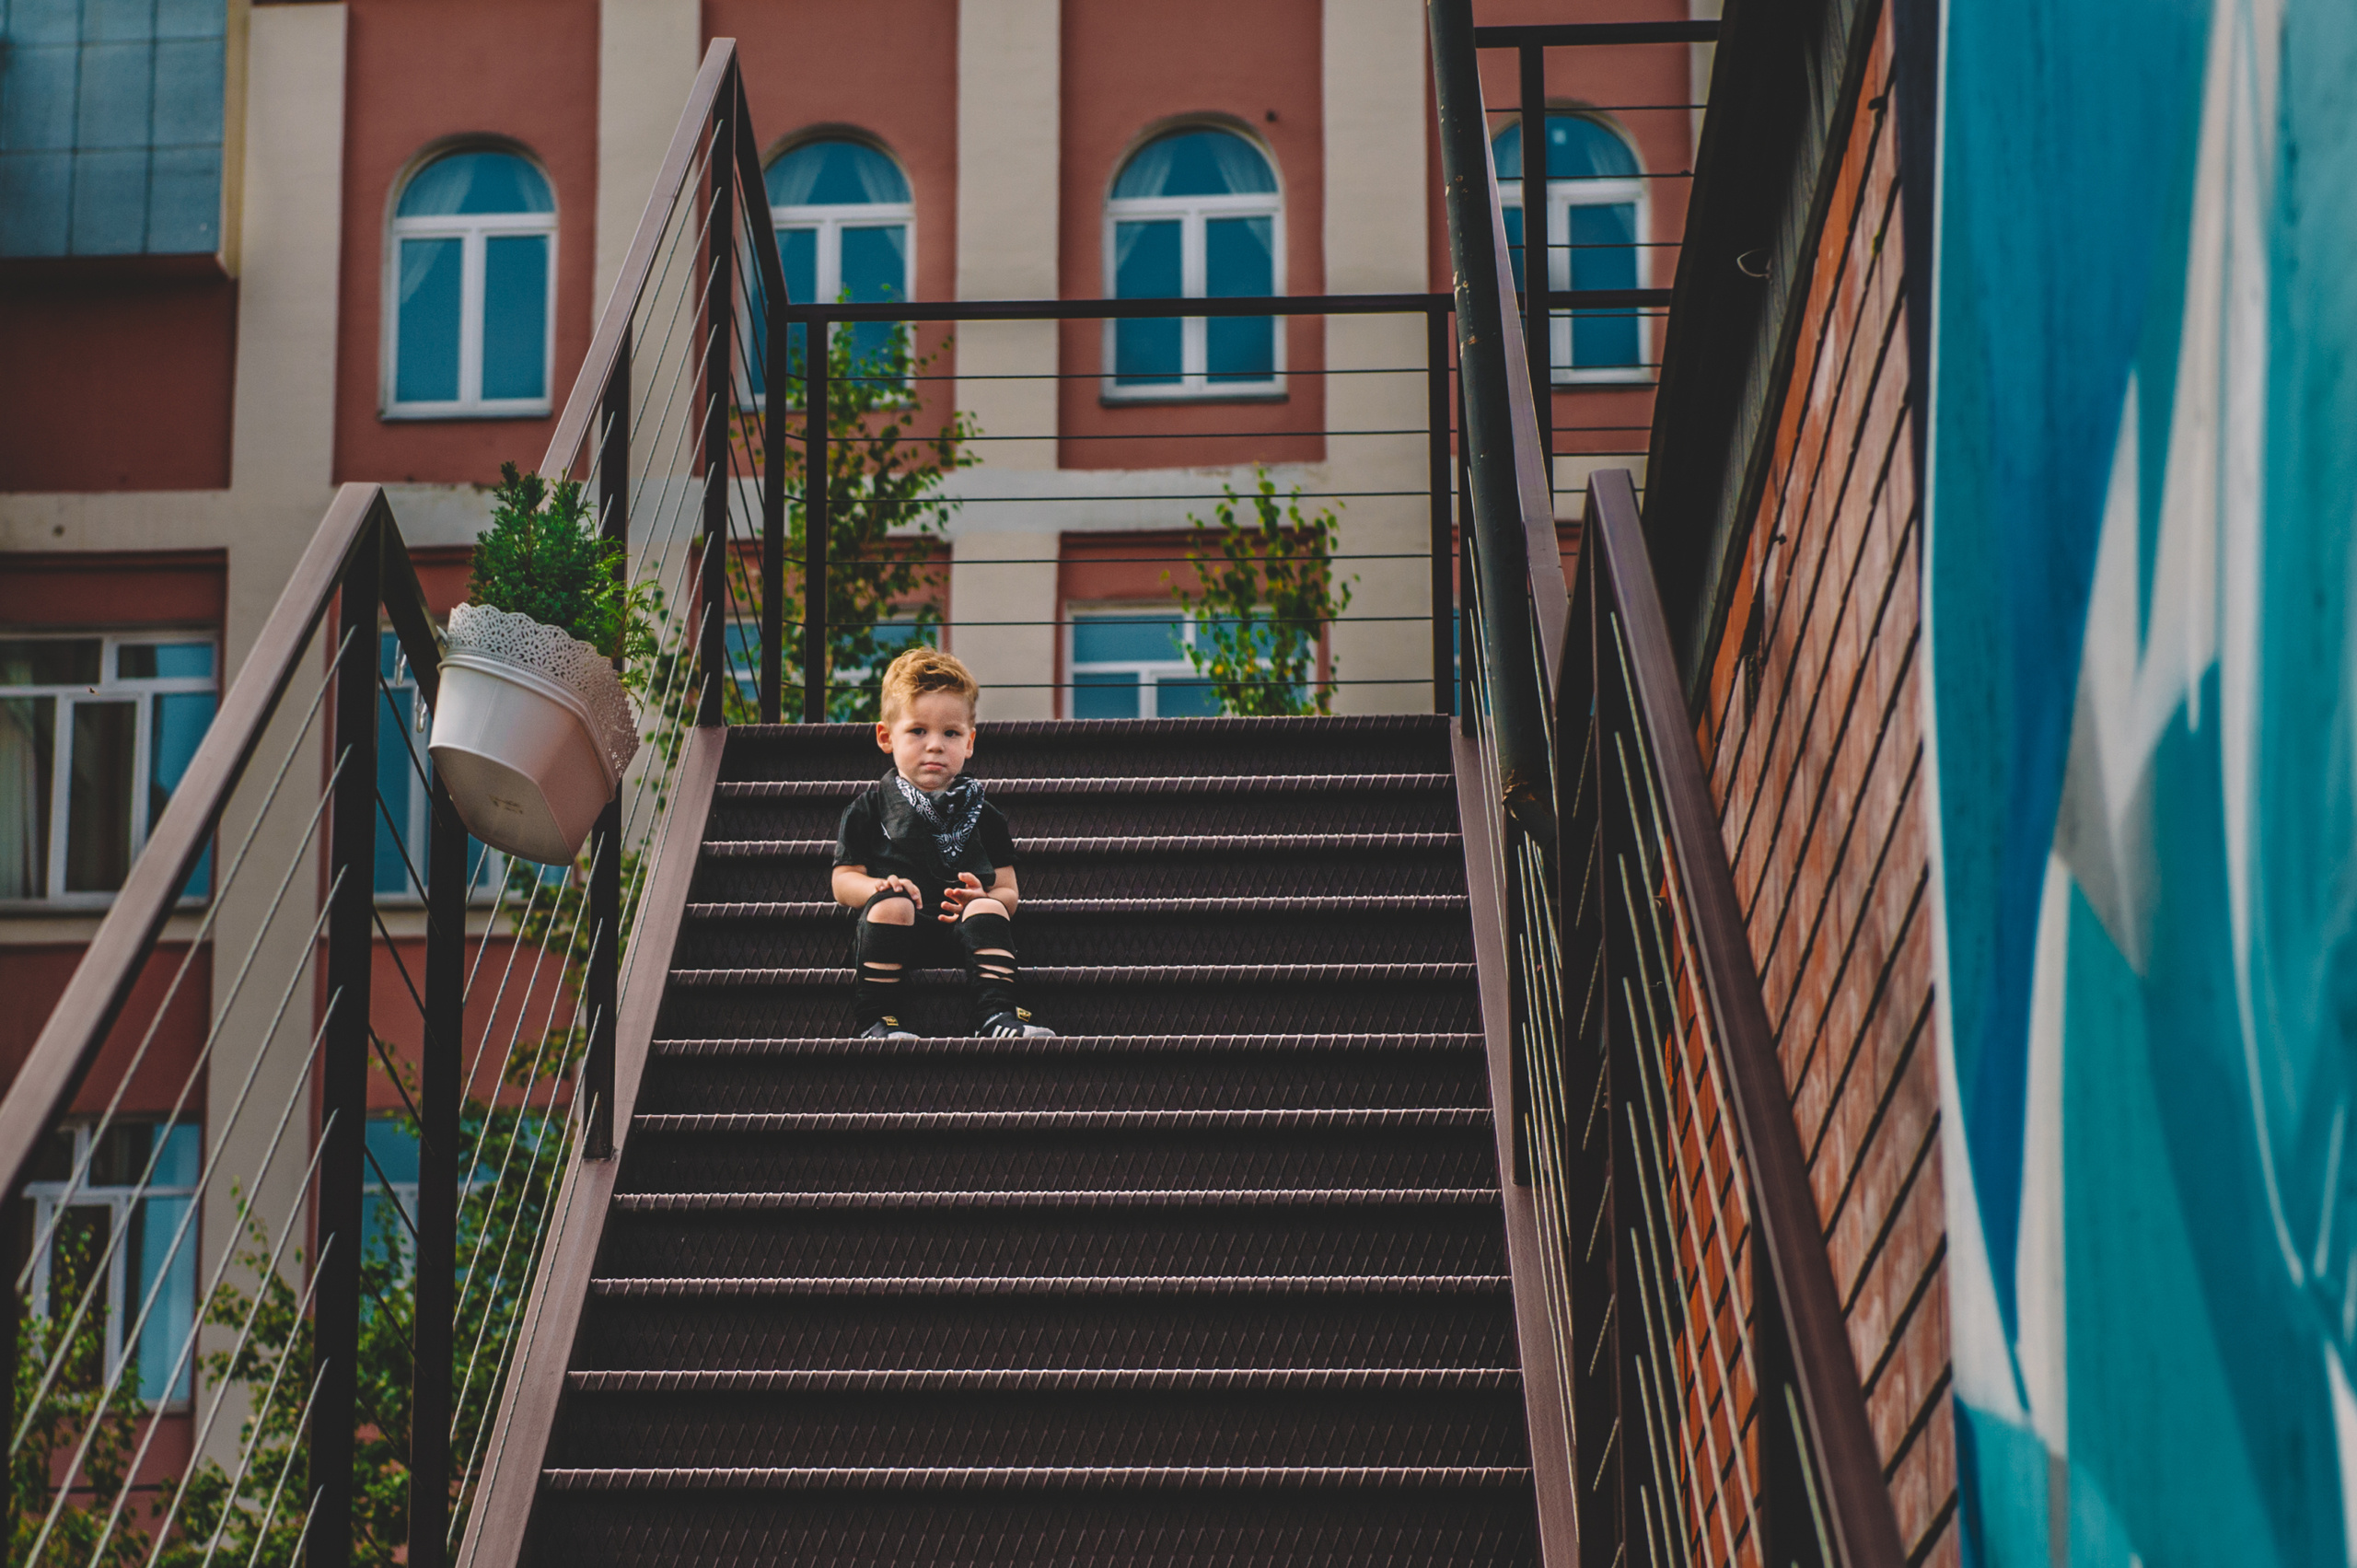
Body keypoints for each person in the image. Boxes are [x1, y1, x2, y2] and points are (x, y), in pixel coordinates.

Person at [830, 646, 1055, 1040]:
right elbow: (843, 880)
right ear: (886, 736)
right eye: (918, 731)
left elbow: (1009, 891)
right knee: (891, 906)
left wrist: (984, 898)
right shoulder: (868, 809)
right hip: (899, 929)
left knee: (988, 906)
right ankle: (879, 1020)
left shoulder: (984, 814)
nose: (935, 745)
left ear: (969, 743)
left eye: (950, 733)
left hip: (962, 934)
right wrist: (879, 888)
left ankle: (998, 1016)